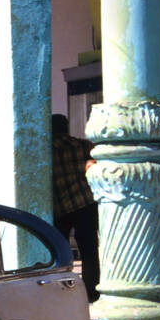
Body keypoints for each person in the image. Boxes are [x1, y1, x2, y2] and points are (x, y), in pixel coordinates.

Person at [51, 114, 99, 301]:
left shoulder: (46, 150)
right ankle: (91, 291)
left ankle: (63, 291)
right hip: (84, 203)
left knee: (60, 253)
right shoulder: (83, 145)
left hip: (58, 207)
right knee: (89, 251)